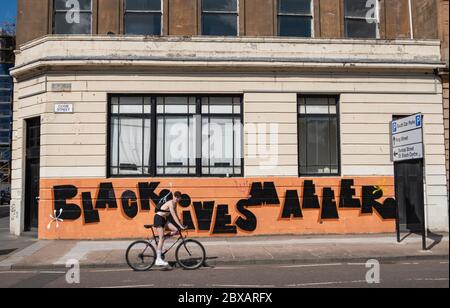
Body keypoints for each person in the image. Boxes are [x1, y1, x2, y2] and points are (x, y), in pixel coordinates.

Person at [153, 191, 187, 266]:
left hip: (164, 219)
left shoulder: (175, 205)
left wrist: (181, 225)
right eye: (176, 197)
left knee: (176, 230)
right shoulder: (171, 203)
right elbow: (174, 216)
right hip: (158, 218)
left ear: (180, 198)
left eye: (179, 197)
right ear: (173, 197)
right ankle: (158, 259)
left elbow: (177, 216)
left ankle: (162, 238)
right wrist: (180, 226)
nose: (177, 199)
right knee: (161, 238)